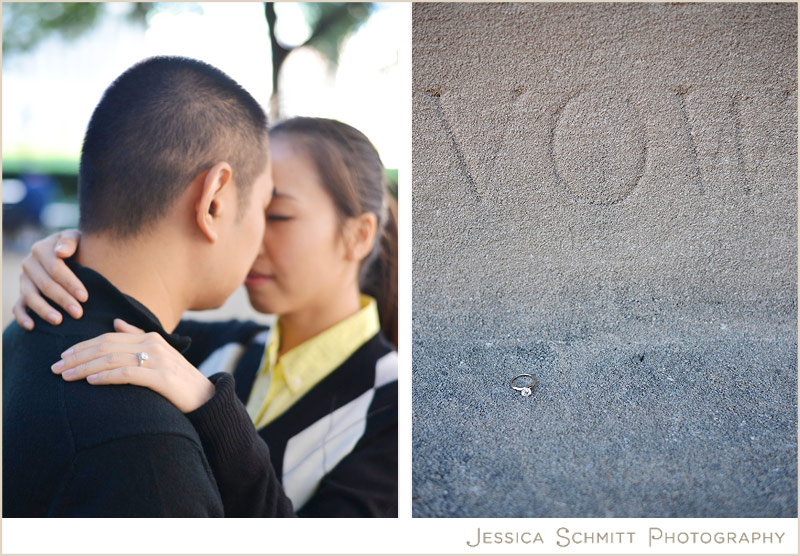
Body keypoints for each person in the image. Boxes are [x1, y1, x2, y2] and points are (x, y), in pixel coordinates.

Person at [14, 118, 399, 517]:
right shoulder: (223, 347)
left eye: (279, 215)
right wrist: (66, 256)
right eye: (250, 209)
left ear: (358, 235)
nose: (251, 235)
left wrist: (210, 405)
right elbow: (124, 290)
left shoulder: (396, 411)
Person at [2, 56, 285, 517]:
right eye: (267, 208)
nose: (264, 239)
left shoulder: (24, 333)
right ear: (215, 201)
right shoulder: (150, 452)